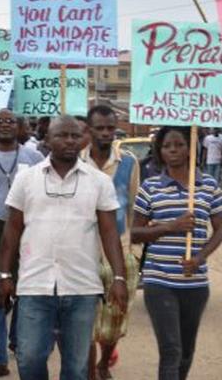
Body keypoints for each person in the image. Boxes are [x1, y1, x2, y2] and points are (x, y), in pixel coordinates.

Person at [0, 115, 128, 380]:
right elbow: (12, 229)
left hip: (82, 286)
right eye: (61, 135)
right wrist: (4, 274)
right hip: (35, 284)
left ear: (83, 140)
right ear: (47, 139)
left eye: (74, 135)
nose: (69, 141)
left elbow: (109, 232)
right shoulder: (26, 178)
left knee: (77, 366)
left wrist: (118, 276)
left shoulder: (99, 181)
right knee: (30, 357)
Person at [131, 126, 222, 380]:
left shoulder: (208, 185)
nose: (173, 150)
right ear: (159, 152)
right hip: (158, 281)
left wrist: (199, 258)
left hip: (194, 283)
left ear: (190, 148)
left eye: (179, 144)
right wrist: (170, 227)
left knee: (186, 352)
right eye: (166, 146)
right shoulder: (150, 187)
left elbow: (219, 230)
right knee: (171, 350)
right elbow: (134, 233)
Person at [0, 109, 44, 380]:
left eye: (10, 121)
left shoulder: (34, 157)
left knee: (24, 293)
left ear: (20, 126)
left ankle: (16, 340)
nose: (4, 124)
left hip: (27, 228)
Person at [80, 105, 140, 380]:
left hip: (120, 250)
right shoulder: (75, 160)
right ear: (89, 130)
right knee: (87, 321)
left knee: (115, 320)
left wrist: (132, 252)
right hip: (82, 251)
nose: (105, 133)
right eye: (100, 128)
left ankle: (105, 362)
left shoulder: (128, 162)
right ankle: (91, 371)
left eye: (110, 128)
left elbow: (132, 209)